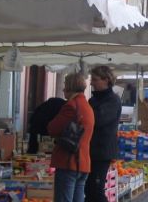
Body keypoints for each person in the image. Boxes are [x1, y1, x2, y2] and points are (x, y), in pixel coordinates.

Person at [47, 73, 95, 202]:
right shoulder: (87, 107)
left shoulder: (71, 106)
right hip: (83, 162)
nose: (63, 90)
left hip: (69, 161)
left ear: (70, 87)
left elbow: (52, 128)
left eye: (65, 86)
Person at [85, 66, 121, 202]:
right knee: (88, 190)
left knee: (96, 189)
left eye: (95, 79)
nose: (91, 83)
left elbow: (98, 120)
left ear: (106, 80)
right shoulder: (93, 100)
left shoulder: (113, 100)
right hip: (89, 150)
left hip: (102, 152)